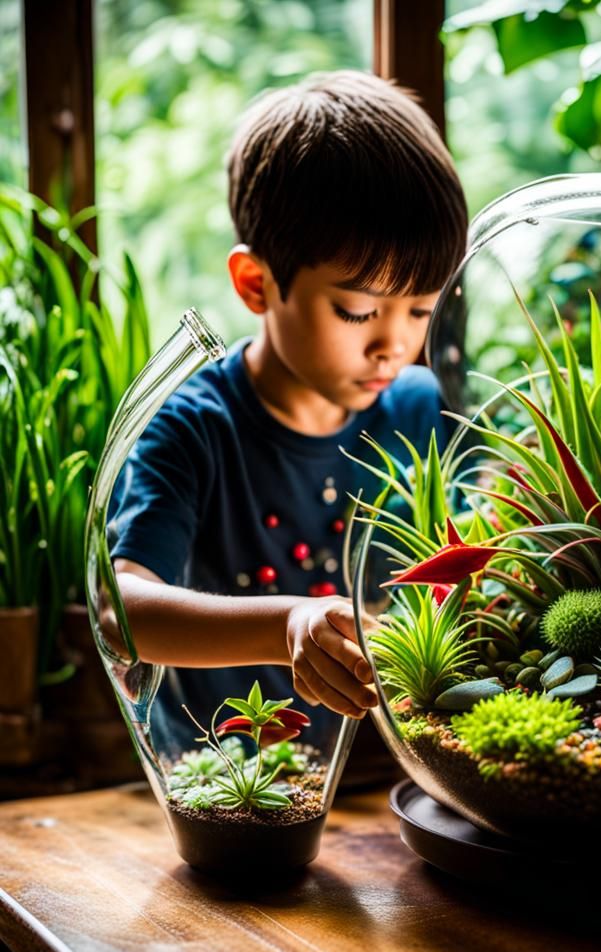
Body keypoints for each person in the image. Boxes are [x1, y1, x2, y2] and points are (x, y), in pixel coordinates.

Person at [107, 71, 468, 723]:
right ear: (255, 283)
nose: (394, 344)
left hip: (383, 776)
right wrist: (289, 623)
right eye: (357, 312)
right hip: (228, 790)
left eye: (420, 310)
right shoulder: (193, 428)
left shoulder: (422, 408)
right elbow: (124, 610)